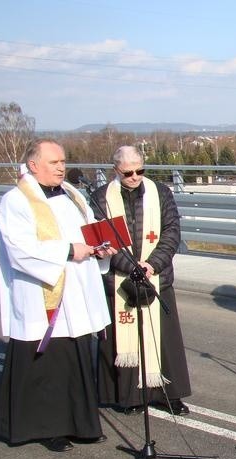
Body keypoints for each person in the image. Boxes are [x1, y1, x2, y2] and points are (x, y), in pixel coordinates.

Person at [0, 139, 116, 452]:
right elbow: (20, 249)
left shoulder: (73, 194)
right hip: (41, 294)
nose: (61, 167)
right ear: (33, 165)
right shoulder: (16, 201)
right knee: (47, 366)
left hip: (76, 290)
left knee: (75, 358)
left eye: (62, 161)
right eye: (53, 162)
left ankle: (81, 424)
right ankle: (48, 427)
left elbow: (88, 230)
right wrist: (66, 250)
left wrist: (102, 246)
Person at [91, 146, 192, 414]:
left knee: (163, 340)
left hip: (156, 277)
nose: (134, 176)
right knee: (125, 341)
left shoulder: (161, 193)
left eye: (140, 170)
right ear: (116, 170)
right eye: (128, 172)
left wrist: (152, 264)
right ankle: (131, 397)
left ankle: (169, 394)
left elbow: (172, 231)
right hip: (121, 280)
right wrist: (131, 266)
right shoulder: (101, 198)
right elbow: (101, 240)